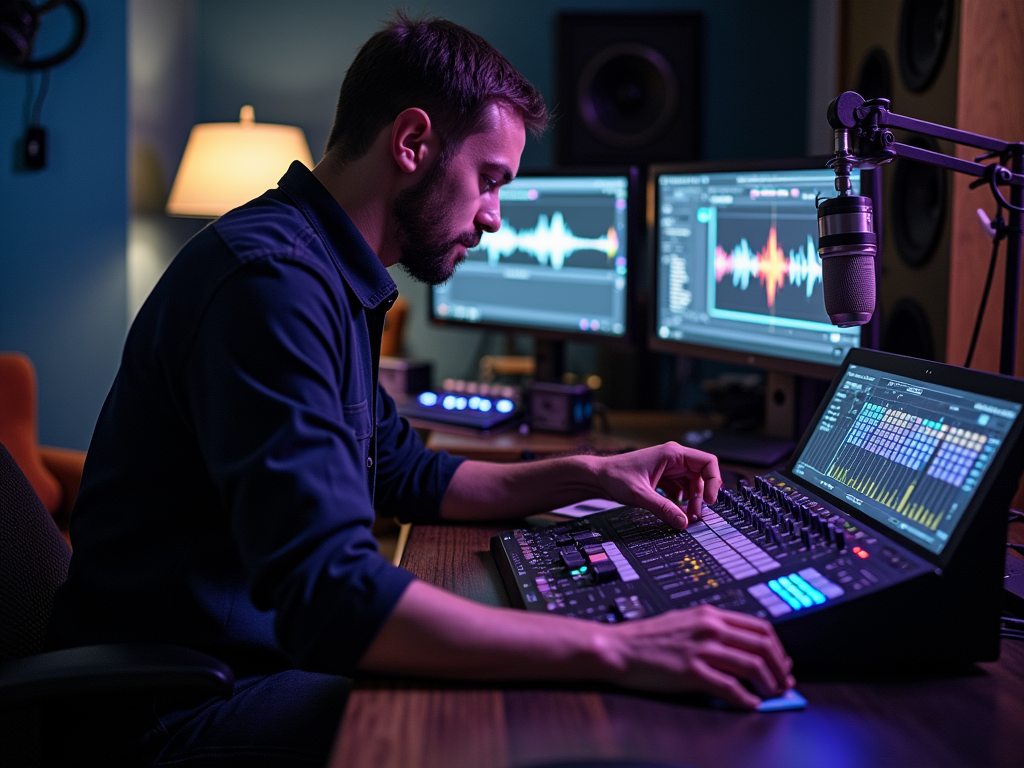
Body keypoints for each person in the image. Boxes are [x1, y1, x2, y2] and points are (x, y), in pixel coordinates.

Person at [46, 13, 794, 767]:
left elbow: (406, 473)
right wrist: (620, 644)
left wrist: (591, 474)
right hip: (168, 714)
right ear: (412, 143)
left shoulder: (325, 271)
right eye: (491, 179)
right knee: (510, 728)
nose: (495, 217)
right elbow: (330, 598)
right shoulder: (269, 285)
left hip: (237, 667)